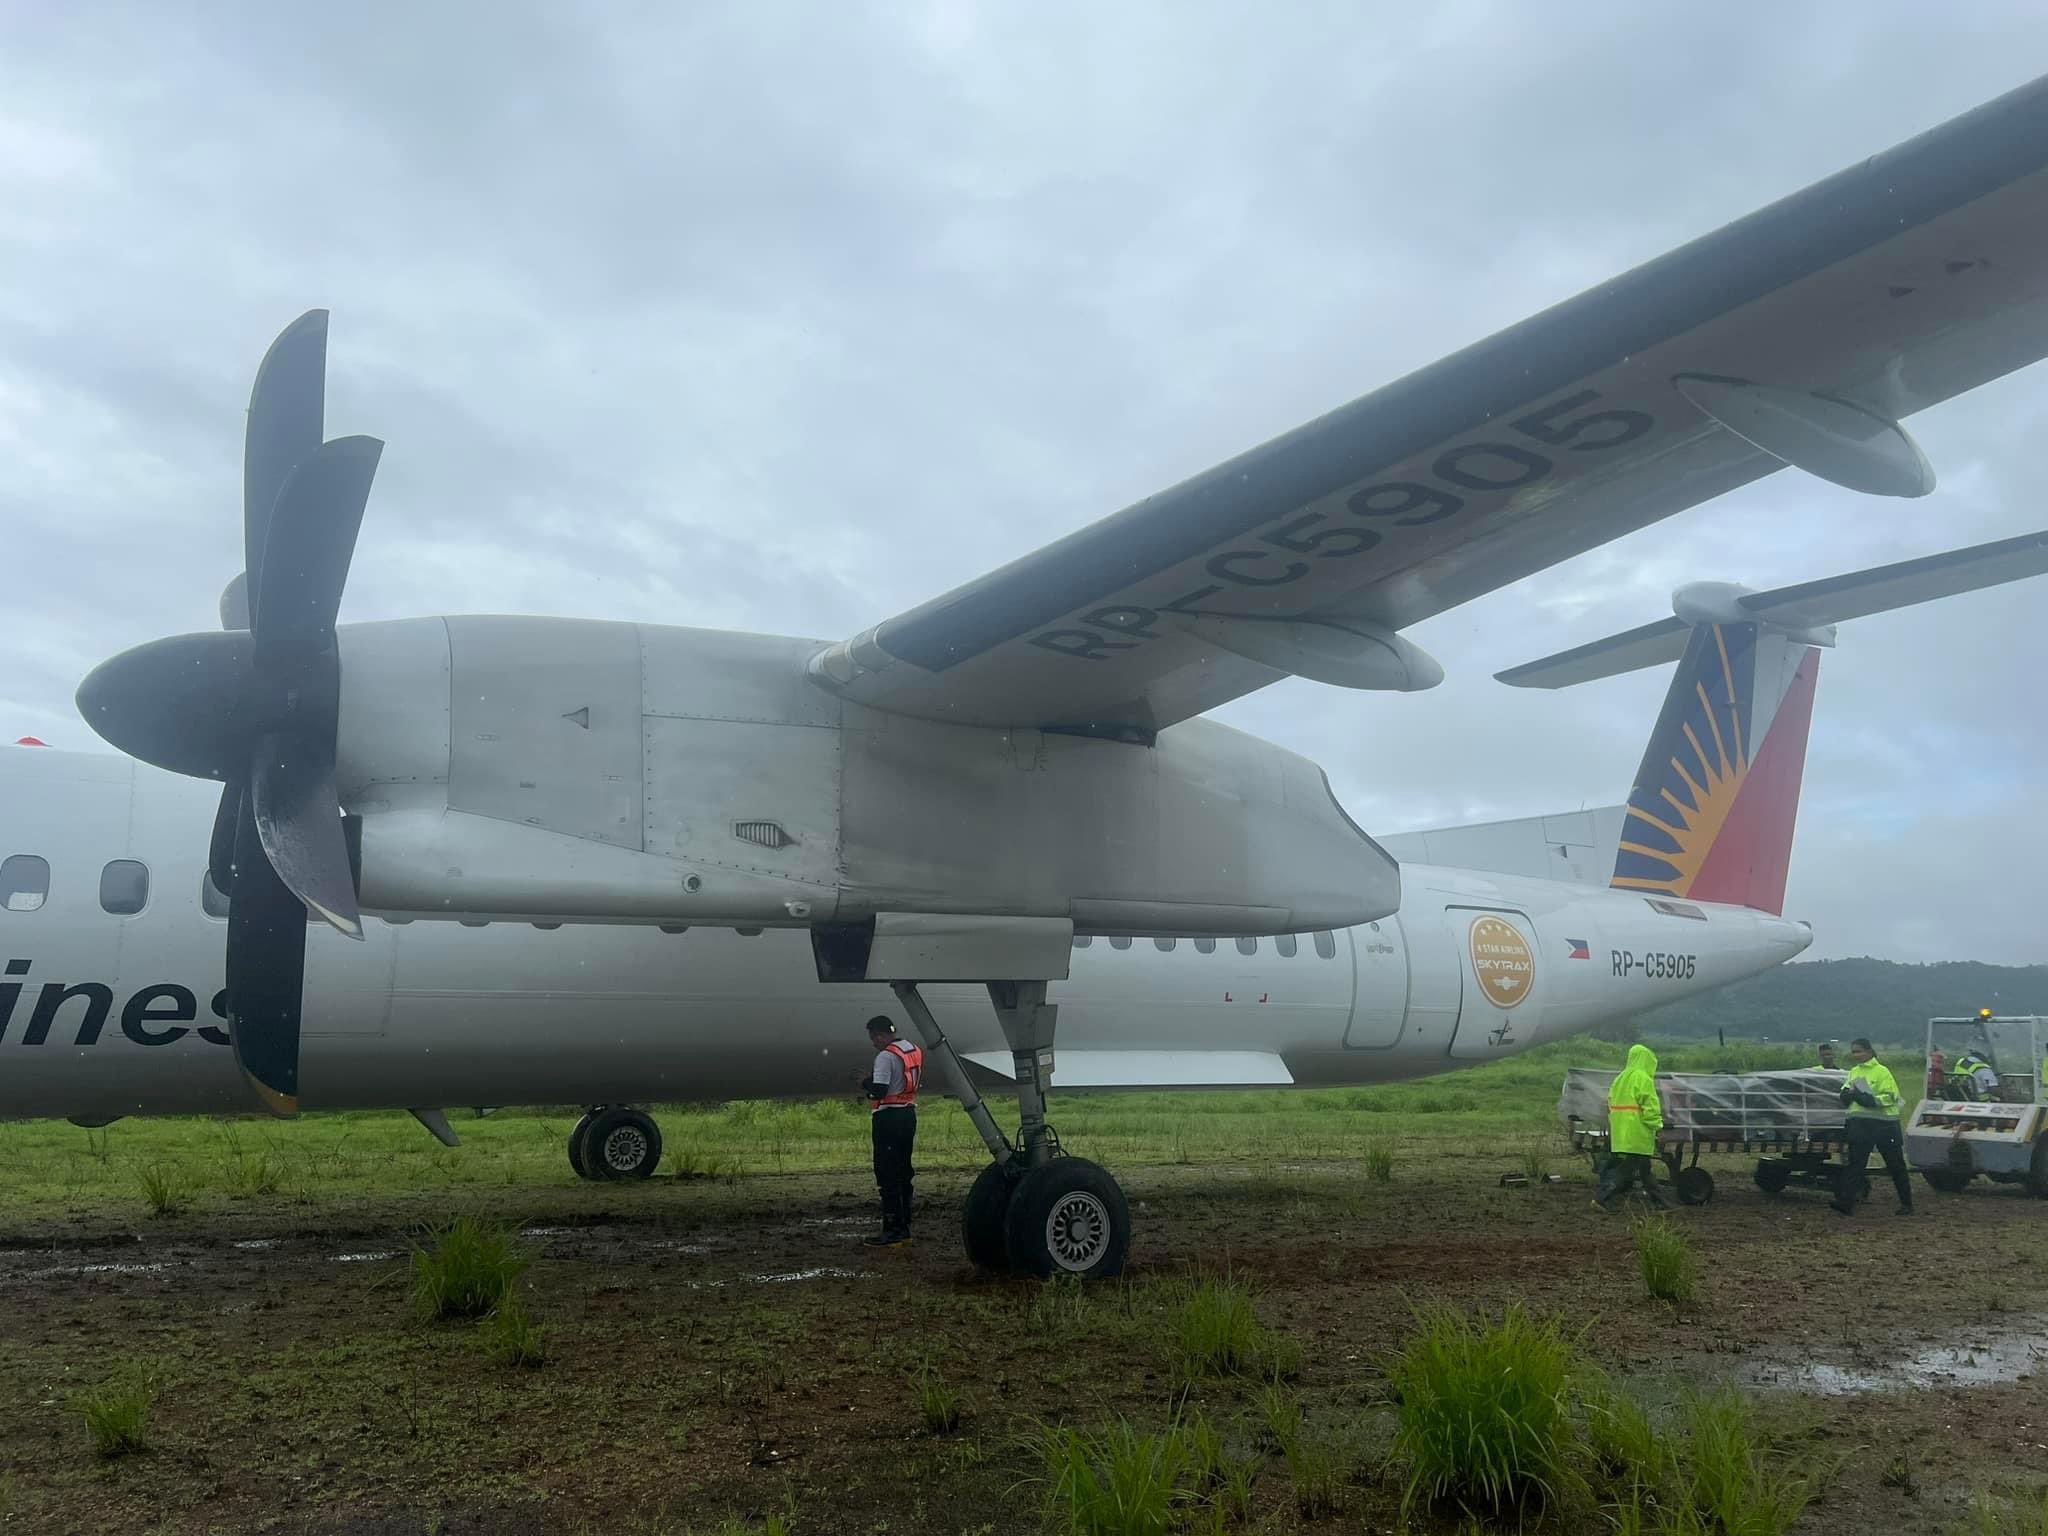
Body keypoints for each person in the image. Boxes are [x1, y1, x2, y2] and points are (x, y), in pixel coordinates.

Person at [861, 1014, 922, 1248]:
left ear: (881, 1034)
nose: (873, 1042)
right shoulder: (912, 1049)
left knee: (887, 1173)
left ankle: (894, 1229)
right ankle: (905, 1223)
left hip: (889, 1117)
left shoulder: (886, 1056)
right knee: (904, 1171)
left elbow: (879, 1091)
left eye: (874, 1037)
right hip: (908, 1114)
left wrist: (865, 1082)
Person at [1833, 1037, 1912, 1217]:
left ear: (1869, 1051)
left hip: (1884, 1125)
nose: (1856, 1055)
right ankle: (1846, 1203)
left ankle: (1907, 1204)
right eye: (1853, 1052)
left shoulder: (1882, 1072)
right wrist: (1847, 1094)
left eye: (1859, 1051)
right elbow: (1845, 1092)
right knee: (1856, 1165)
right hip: (1860, 1126)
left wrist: (1864, 1098)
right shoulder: (1854, 1072)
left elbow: (1890, 1097)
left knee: (1895, 1165)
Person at [1595, 1043, 1673, 1211]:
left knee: (1644, 1168)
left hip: (1621, 1131)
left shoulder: (1620, 1078)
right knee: (1627, 1169)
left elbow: (1610, 1102)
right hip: (1638, 1131)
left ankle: (1660, 1203)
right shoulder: (1643, 1078)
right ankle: (1602, 1198)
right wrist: (1658, 1125)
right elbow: (1650, 1106)